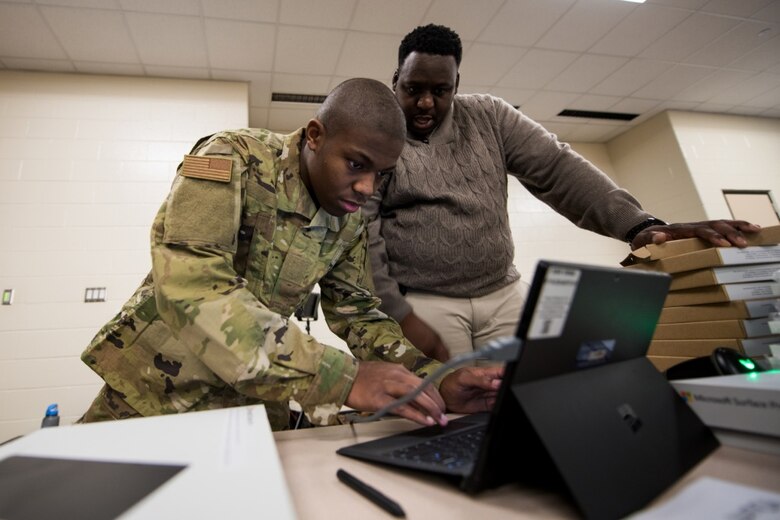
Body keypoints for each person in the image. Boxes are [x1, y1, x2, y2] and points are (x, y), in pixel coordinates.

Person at [78, 78, 502, 431]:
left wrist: (433, 379)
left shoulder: (349, 217)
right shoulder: (230, 157)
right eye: (357, 164)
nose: (367, 187)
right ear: (315, 136)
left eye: (380, 174)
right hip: (154, 394)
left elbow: (358, 314)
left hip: (253, 407)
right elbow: (193, 288)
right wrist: (339, 378)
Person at [364, 24, 760, 362]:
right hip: (427, 301)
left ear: (456, 86)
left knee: (524, 396)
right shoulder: (377, 135)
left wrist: (638, 226)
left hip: (502, 293)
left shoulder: (489, 116)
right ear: (395, 79)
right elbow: (364, 235)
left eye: (441, 90)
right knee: (448, 405)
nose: (426, 103)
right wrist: (396, 310)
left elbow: (558, 168)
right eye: (414, 88)